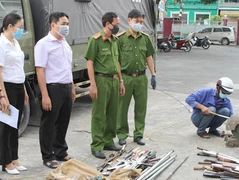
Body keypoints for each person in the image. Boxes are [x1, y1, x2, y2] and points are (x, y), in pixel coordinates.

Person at [35, 12, 76, 169]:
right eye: (63, 24)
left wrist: (72, 87)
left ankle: (60, 150)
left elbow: (67, 67)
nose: (66, 27)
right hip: (53, 88)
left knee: (63, 121)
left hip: (66, 86)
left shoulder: (64, 43)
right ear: (53, 25)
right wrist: (45, 95)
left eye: (67, 24)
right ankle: (47, 155)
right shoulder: (44, 44)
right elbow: (40, 70)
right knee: (49, 123)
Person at [85, 12, 125, 159]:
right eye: (117, 24)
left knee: (113, 113)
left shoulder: (115, 40)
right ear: (108, 24)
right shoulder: (96, 41)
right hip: (101, 80)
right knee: (99, 114)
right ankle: (97, 145)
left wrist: (121, 81)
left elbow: (118, 62)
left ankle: (108, 140)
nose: (118, 27)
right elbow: (90, 62)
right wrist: (93, 84)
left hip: (114, 80)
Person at [117, 9, 156, 146]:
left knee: (141, 107)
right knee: (122, 107)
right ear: (129, 20)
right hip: (126, 77)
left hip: (141, 78)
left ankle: (138, 134)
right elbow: (117, 61)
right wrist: (120, 79)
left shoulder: (145, 38)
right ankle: (122, 134)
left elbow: (149, 56)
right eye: (136, 21)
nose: (139, 24)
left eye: (141, 22)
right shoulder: (120, 38)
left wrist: (153, 74)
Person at [0, 13, 29, 175]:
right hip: (7, 88)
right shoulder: (1, 43)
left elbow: (19, 68)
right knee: (5, 126)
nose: (21, 30)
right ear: (10, 26)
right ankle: (5, 161)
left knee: (15, 125)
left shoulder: (15, 42)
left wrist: (24, 89)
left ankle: (14, 157)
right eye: (20, 27)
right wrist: (2, 95)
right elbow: (0, 72)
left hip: (18, 86)